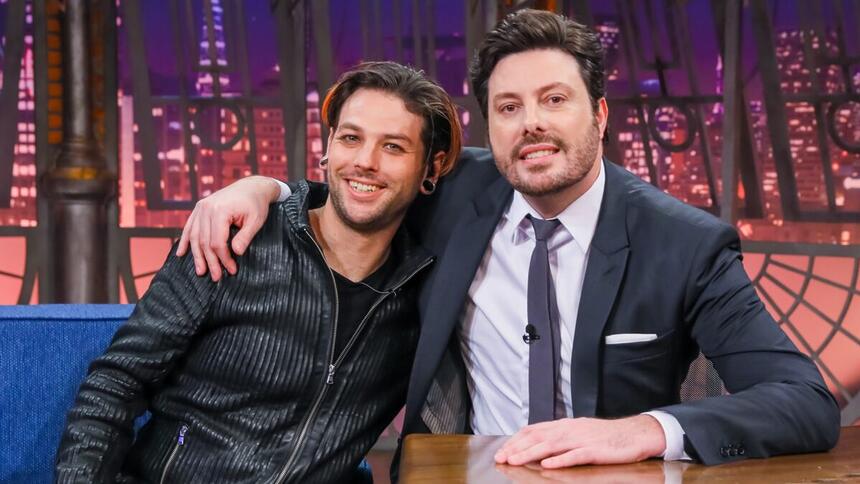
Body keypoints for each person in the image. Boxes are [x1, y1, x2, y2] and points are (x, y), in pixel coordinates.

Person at [176, 9, 840, 471]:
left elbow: (803, 403)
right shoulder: (456, 193)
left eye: (555, 100)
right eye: (509, 107)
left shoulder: (683, 243)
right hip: (460, 472)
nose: (532, 125)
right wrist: (262, 187)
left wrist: (642, 433)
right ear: (489, 125)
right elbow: (359, 182)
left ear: (600, 114)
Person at [54, 61, 462, 483]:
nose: (365, 162)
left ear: (429, 170)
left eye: (393, 147)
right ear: (328, 148)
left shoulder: (427, 293)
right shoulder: (233, 238)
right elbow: (116, 384)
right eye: (351, 138)